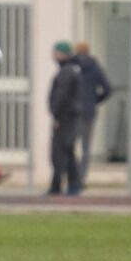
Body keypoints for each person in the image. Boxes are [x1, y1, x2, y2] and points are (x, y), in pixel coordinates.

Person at [72, 42, 112, 185]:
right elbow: (107, 89)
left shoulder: (72, 67)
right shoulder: (95, 67)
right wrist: (95, 100)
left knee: (69, 144)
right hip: (89, 111)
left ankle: (73, 176)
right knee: (85, 147)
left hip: (74, 111)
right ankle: (81, 178)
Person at [48, 41, 84, 195]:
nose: (54, 55)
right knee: (67, 152)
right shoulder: (72, 70)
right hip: (69, 118)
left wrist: (56, 116)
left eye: (56, 52)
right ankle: (69, 186)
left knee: (60, 153)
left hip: (65, 119)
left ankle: (63, 187)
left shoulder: (66, 72)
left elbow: (61, 96)